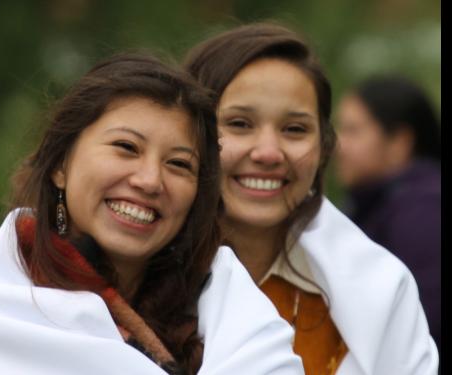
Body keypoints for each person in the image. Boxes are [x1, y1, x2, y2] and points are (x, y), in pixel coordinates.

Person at [0, 52, 305, 375]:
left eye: (178, 164)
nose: (150, 181)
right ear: (60, 165)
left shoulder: (233, 313)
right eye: (126, 147)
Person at [184, 23, 439, 374]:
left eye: (295, 129)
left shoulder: (380, 290)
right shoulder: (131, 278)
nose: (269, 153)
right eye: (240, 123)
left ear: (324, 148)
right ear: (189, 135)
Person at [335, 75, 441, 359]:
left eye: (353, 131)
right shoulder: (375, 204)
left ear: (399, 142)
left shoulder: (423, 211)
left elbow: (425, 321)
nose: (338, 145)